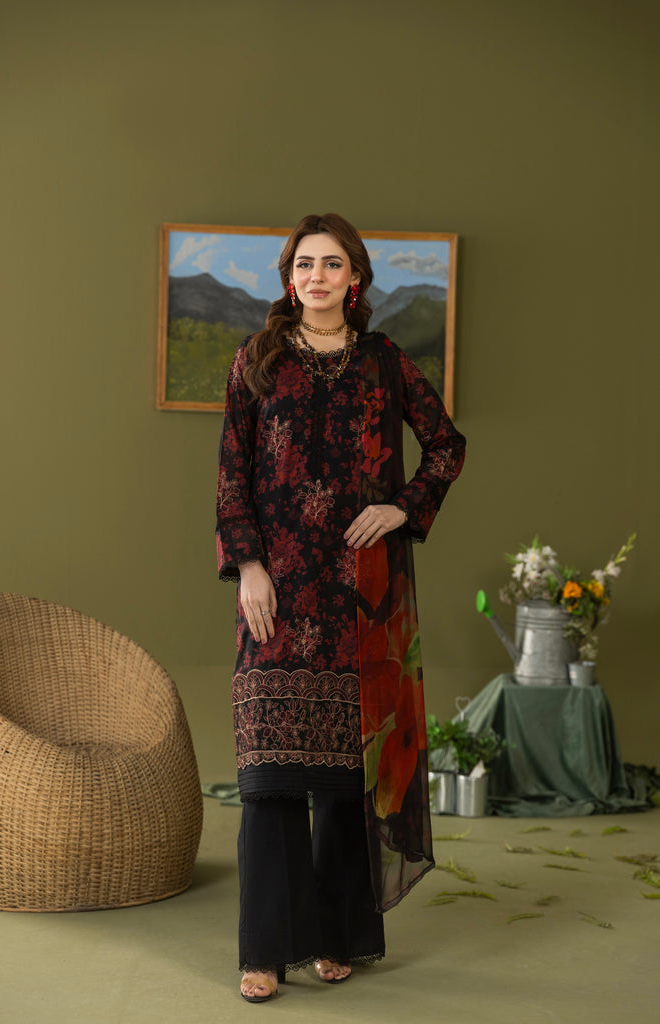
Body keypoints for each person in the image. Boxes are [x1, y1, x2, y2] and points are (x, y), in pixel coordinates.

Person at [216, 213, 465, 1003]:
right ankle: (265, 950)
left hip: (361, 590)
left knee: (342, 778)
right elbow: (231, 474)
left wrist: (402, 508)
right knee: (269, 779)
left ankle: (335, 935)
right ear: (287, 277)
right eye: (302, 264)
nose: (315, 277)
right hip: (276, 593)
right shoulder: (256, 359)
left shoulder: (384, 361)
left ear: (354, 277)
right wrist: (248, 566)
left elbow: (446, 445)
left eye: (330, 264)